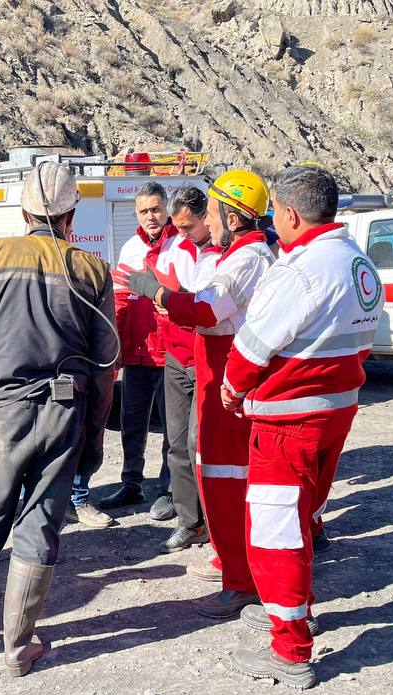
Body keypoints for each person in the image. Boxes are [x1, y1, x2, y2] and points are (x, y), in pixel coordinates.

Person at [0, 161, 116, 676]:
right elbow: (105, 366)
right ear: (70, 214)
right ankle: (18, 649)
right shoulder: (92, 269)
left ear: (24, 211)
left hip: (3, 411)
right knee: (39, 526)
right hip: (64, 413)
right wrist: (95, 436)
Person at [220, 165, 385, 689]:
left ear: (289, 214)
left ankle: (290, 649)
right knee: (302, 516)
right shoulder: (359, 263)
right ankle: (296, 608)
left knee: (274, 531)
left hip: (288, 419)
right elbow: (363, 341)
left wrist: (232, 387)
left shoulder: (300, 272)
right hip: (336, 409)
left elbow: (249, 349)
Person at [129, 171, 275, 619]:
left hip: (222, 366)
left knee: (226, 474)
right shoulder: (244, 253)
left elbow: (205, 309)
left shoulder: (242, 259)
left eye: (211, 214)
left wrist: (157, 292)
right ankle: (232, 558)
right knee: (219, 469)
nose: (206, 223)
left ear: (232, 218)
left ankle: (240, 578)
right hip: (214, 362)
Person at [128, 186, 217, 554]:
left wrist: (168, 298)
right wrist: (164, 298)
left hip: (208, 357)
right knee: (177, 443)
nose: (182, 232)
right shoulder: (174, 248)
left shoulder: (221, 254)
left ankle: (217, 519)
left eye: (188, 225)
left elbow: (202, 306)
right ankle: (189, 521)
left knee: (202, 444)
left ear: (206, 218)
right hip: (176, 356)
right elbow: (159, 295)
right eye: (177, 226)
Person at [101, 181, 175, 516]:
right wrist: (116, 349)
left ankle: (170, 491)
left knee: (173, 429)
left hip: (170, 355)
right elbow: (119, 303)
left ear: (167, 207)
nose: (151, 216)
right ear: (136, 213)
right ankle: (131, 485)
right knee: (133, 425)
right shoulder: (130, 247)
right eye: (144, 211)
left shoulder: (181, 246)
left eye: (156, 209)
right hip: (137, 355)